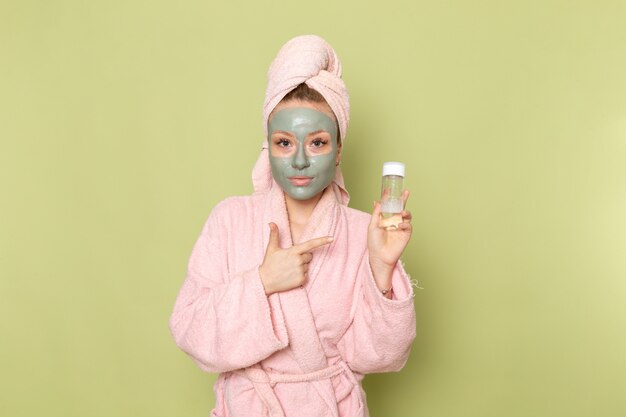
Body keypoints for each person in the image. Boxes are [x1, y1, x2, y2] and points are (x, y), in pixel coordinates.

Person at [169, 35, 416, 417]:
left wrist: (381, 268)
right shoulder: (229, 220)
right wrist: (262, 282)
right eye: (284, 143)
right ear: (268, 147)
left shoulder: (364, 231)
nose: (299, 160)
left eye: (317, 143)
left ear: (338, 151)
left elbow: (380, 356)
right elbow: (190, 331)